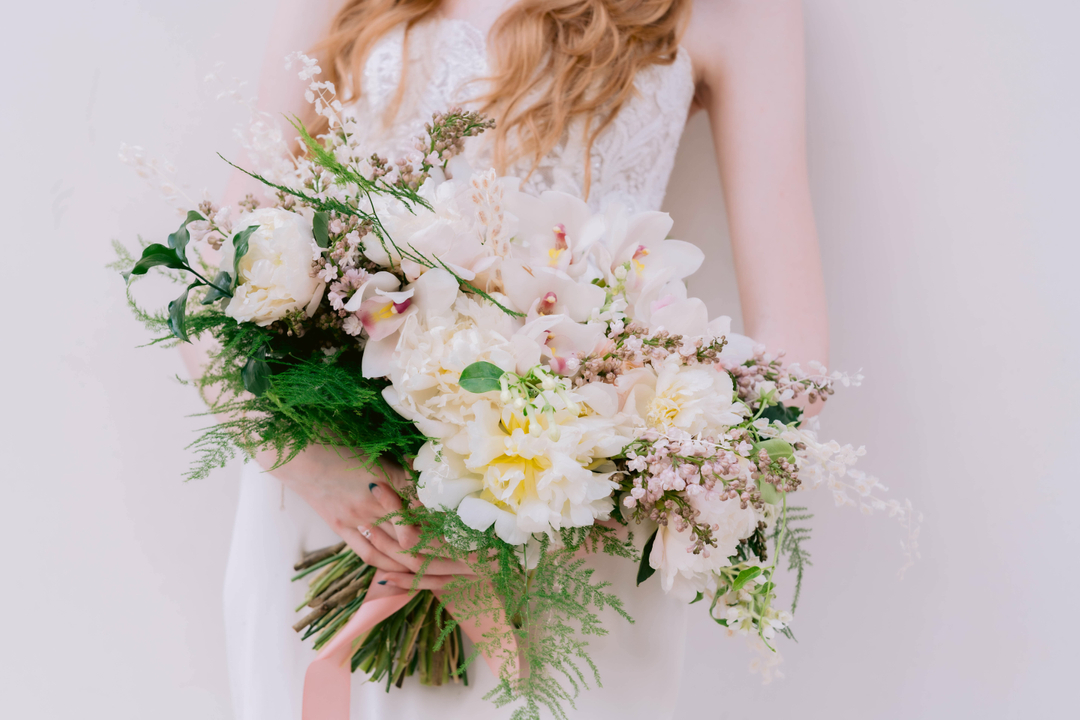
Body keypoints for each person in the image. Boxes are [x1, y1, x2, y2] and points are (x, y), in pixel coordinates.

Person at [182, 1, 829, 717]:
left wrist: (574, 509)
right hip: (331, 512)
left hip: (567, 545)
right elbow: (216, 267)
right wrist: (317, 471)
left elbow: (794, 364)